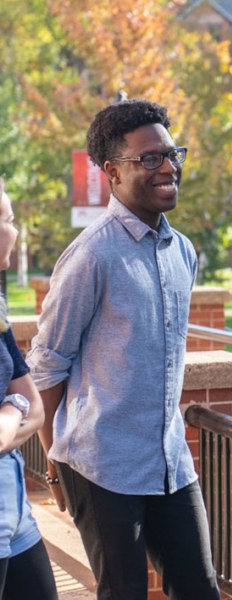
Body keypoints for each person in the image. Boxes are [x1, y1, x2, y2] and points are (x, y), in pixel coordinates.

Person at [26, 100, 220, 600]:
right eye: (150, 158)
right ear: (112, 172)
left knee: (200, 589)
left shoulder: (183, 250)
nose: (169, 167)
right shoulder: (92, 255)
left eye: (172, 153)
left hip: (171, 461)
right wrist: (56, 462)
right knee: (124, 592)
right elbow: (47, 366)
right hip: (102, 466)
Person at [0, 180, 57, 600]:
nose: (14, 232)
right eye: (6, 220)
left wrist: (11, 408)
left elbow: (34, 407)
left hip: (17, 515)